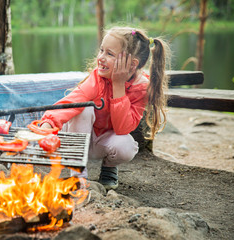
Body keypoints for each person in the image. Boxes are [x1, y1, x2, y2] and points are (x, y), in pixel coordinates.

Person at [40, 26, 170, 190]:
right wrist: (48, 122)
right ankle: (78, 174)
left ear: (131, 64)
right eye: (101, 50)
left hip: (103, 142)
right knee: (84, 107)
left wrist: (118, 85)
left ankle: (109, 168)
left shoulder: (142, 89)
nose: (100, 57)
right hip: (76, 139)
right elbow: (72, 101)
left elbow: (122, 128)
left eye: (109, 54)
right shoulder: (97, 79)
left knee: (126, 146)